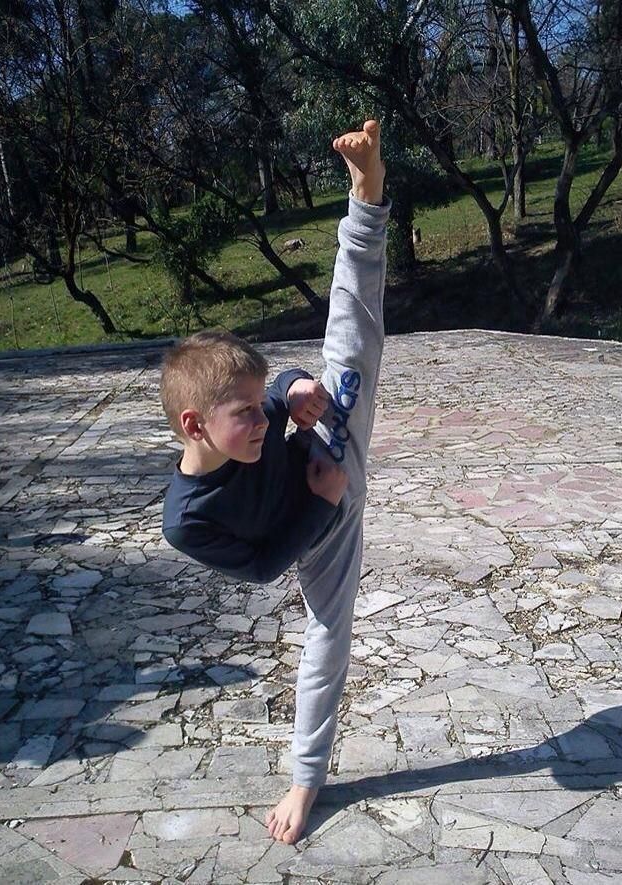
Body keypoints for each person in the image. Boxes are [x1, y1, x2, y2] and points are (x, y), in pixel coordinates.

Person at [160, 120, 389, 843]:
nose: (257, 422)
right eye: (244, 416)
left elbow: (276, 394)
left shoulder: (255, 415)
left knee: (351, 338)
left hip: (328, 443)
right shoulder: (187, 520)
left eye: (256, 409)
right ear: (196, 427)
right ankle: (307, 775)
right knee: (327, 636)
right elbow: (263, 567)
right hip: (320, 531)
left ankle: (367, 196)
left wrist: (290, 390)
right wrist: (322, 506)